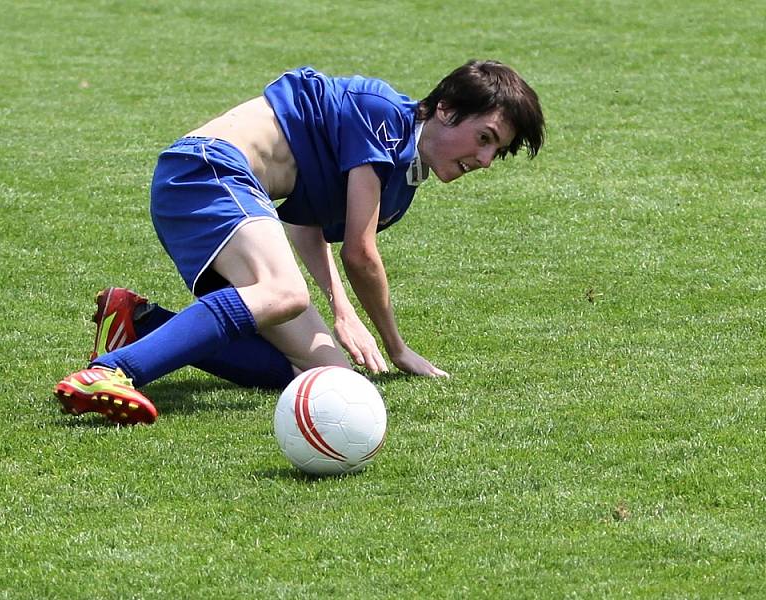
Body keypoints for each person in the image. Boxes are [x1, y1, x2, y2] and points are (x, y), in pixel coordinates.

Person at [54, 60, 545, 425]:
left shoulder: (400, 186)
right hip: (206, 169)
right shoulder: (382, 115)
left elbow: (306, 226)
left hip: (226, 193)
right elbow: (360, 252)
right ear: (447, 109)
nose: (484, 159)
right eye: (484, 138)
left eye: (495, 152)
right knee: (285, 291)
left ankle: (140, 325)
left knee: (327, 374)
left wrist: (342, 309)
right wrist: (396, 347)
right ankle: (113, 371)